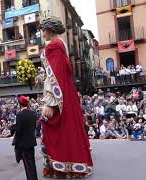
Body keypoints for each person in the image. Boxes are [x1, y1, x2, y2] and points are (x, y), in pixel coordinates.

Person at [39, 17, 93, 178]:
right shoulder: (61, 44)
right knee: (69, 130)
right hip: (68, 93)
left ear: (50, 30)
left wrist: (49, 102)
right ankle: (71, 166)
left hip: (59, 95)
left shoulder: (54, 46)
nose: (43, 33)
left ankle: (61, 168)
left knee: (56, 130)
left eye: (44, 30)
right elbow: (55, 73)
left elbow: (55, 75)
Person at [12, 96, 38, 180]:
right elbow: (34, 127)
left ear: (20, 104)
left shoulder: (20, 115)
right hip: (31, 142)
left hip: (23, 144)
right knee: (32, 164)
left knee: (27, 166)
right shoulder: (33, 113)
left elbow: (19, 131)